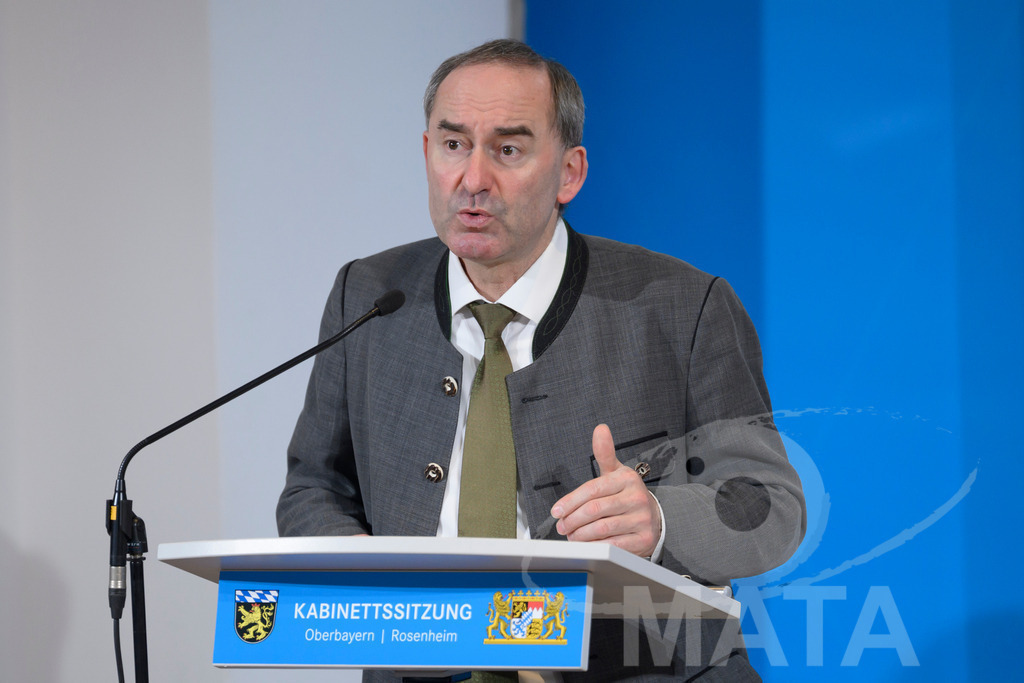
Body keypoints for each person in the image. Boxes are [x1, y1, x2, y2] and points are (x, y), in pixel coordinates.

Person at [277, 39, 805, 681]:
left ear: (569, 173)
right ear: (426, 152)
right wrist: (362, 570)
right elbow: (314, 488)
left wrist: (662, 522)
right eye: (453, 145)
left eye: (508, 150)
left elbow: (770, 506)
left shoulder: (682, 306)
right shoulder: (368, 295)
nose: (473, 179)